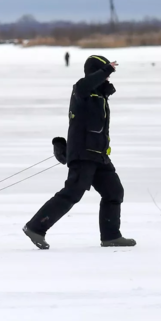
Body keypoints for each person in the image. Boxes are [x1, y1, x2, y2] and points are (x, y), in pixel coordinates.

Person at [23, 55, 136, 249]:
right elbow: (86, 84)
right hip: (84, 154)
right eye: (104, 73)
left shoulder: (100, 95)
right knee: (72, 193)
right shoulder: (81, 90)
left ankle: (111, 236)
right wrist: (106, 70)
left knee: (114, 192)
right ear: (95, 72)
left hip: (98, 155)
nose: (108, 78)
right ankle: (35, 227)